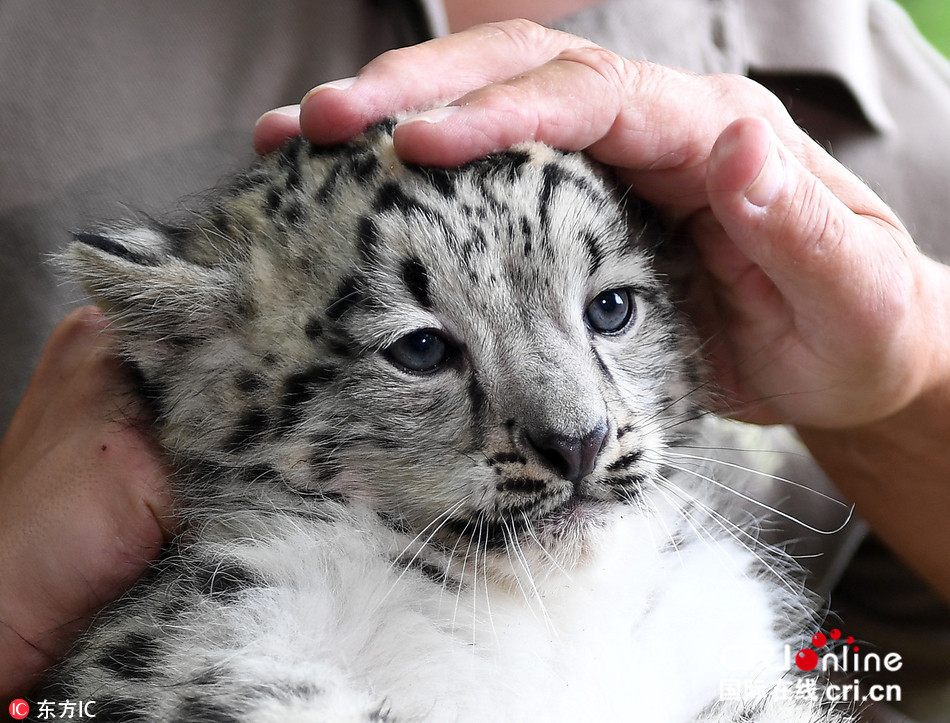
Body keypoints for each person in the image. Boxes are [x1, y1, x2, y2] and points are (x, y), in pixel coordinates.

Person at [2, 1, 949, 715]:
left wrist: (914, 370)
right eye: (420, 346)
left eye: (610, 306)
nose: (577, 426)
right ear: (192, 351)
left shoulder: (915, 118)